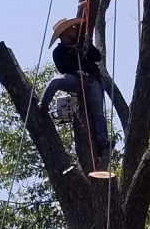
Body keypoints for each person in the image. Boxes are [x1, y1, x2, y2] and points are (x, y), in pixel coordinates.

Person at [39, 17, 110, 163]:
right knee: (55, 82)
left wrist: (87, 45)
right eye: (71, 29)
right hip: (76, 81)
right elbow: (63, 68)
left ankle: (102, 143)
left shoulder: (82, 44)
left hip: (91, 80)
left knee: (98, 112)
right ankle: (42, 105)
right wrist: (73, 55)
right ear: (64, 34)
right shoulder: (59, 52)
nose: (74, 30)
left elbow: (96, 58)